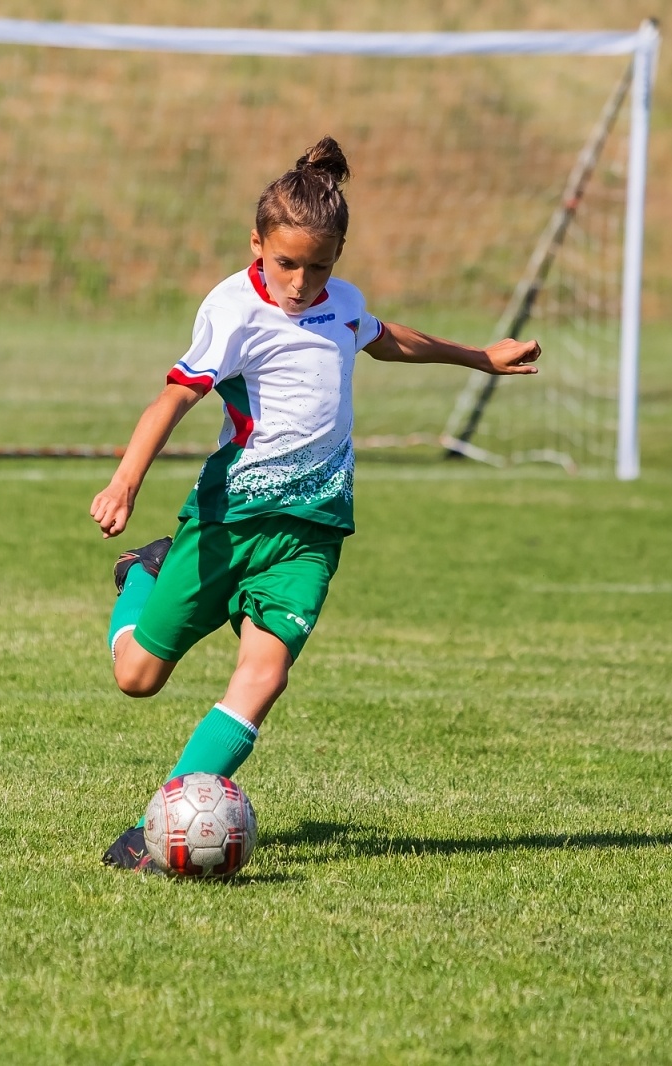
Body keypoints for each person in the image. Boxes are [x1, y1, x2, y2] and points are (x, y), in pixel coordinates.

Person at [93, 137, 540, 870]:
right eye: (287, 263)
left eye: (320, 267)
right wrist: (126, 481)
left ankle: (159, 828)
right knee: (137, 677)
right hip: (226, 522)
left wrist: (478, 357)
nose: (302, 282)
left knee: (265, 675)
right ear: (257, 245)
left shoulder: (343, 304)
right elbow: (174, 397)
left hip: (311, 537)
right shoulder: (234, 309)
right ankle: (145, 572)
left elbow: (386, 338)